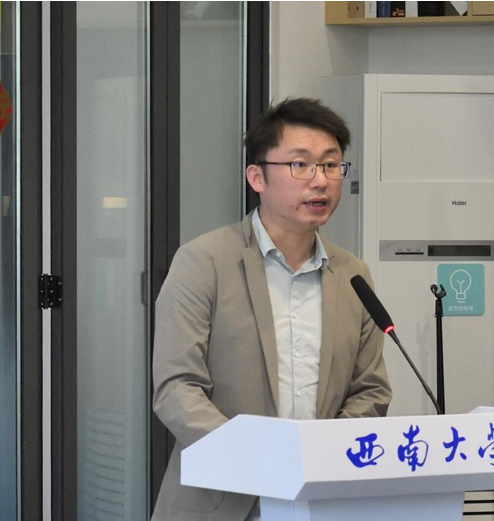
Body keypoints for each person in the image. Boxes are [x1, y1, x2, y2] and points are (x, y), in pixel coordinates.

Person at [151, 98, 392, 521]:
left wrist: (321, 459)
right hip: (222, 500)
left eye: (331, 165)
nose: (319, 181)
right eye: (300, 165)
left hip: (322, 501)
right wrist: (260, 461)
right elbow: (177, 389)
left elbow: (370, 391)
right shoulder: (203, 262)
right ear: (257, 177)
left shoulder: (354, 275)